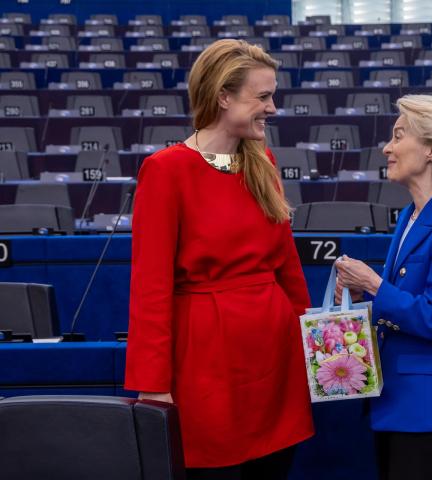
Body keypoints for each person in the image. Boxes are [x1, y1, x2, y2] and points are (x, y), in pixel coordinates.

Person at [124, 39, 314, 479]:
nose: (272, 108)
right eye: (262, 96)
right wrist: (153, 385)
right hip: (207, 362)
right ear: (224, 96)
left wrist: (311, 344)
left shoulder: (263, 160)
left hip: (276, 356)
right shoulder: (166, 170)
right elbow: (150, 288)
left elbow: (287, 265)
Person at [334, 94, 432, 480]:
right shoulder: (409, 216)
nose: (387, 147)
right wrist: (363, 298)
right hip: (396, 401)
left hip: (427, 411)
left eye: (399, 136)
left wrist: (374, 285)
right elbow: (402, 304)